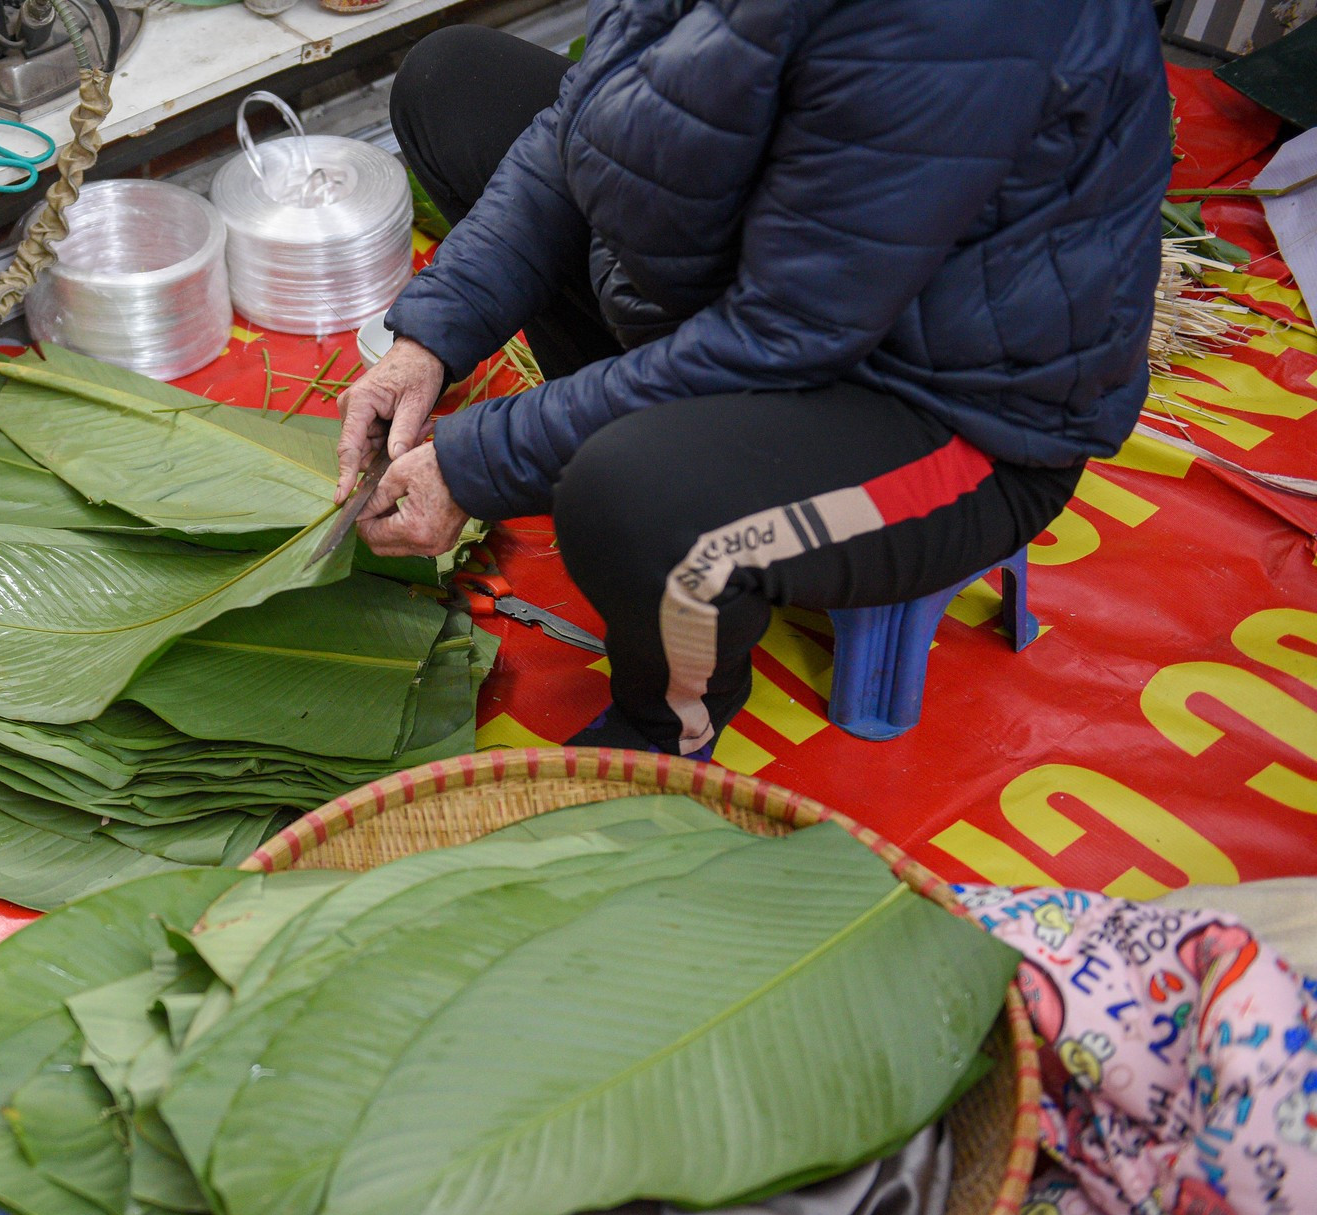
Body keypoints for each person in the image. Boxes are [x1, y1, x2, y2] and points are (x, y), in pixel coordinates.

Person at [338, 1, 1169, 759]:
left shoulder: (957, 26)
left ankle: (665, 730)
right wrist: (431, 337)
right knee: (454, 82)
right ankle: (648, 462)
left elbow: (781, 338)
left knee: (626, 493)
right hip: (776, 299)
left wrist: (477, 460)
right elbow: (582, 124)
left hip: (946, 418)